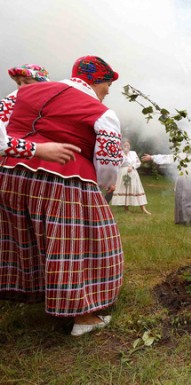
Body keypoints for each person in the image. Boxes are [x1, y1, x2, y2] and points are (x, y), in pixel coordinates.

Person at [0, 55, 123, 336]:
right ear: (97, 81)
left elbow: (2, 127)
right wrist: (102, 186)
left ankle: (29, 292)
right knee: (78, 245)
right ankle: (84, 317)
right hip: (63, 179)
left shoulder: (20, 92)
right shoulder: (102, 112)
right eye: (107, 86)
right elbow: (107, 160)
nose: (106, 93)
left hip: (8, 173)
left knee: (20, 235)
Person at [1, 64, 80, 163]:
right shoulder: (12, 100)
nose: (21, 87)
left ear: (43, 84)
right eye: (19, 83)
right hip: (16, 155)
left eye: (27, 82)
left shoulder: (57, 101)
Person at [141, 152, 191, 228]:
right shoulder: (181, 155)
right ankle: (189, 219)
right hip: (182, 180)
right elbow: (168, 158)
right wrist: (152, 157)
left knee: (190, 199)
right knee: (183, 198)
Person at [111, 139, 151, 214]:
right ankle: (126, 208)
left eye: (128, 145)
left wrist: (132, 167)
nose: (127, 147)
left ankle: (143, 208)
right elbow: (118, 164)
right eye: (125, 145)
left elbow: (138, 163)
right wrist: (122, 154)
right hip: (123, 173)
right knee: (125, 189)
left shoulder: (133, 153)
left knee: (137, 188)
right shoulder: (119, 153)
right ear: (122, 146)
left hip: (133, 173)